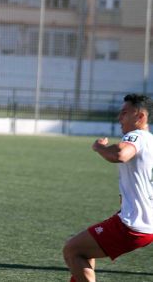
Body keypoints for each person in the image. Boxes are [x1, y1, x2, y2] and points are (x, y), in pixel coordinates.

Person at [63, 94, 153, 282]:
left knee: (72, 250)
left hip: (133, 224)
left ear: (140, 117)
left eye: (124, 113)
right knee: (85, 250)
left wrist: (99, 147)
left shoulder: (135, 136)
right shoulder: (151, 141)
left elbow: (120, 154)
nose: (119, 118)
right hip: (143, 224)